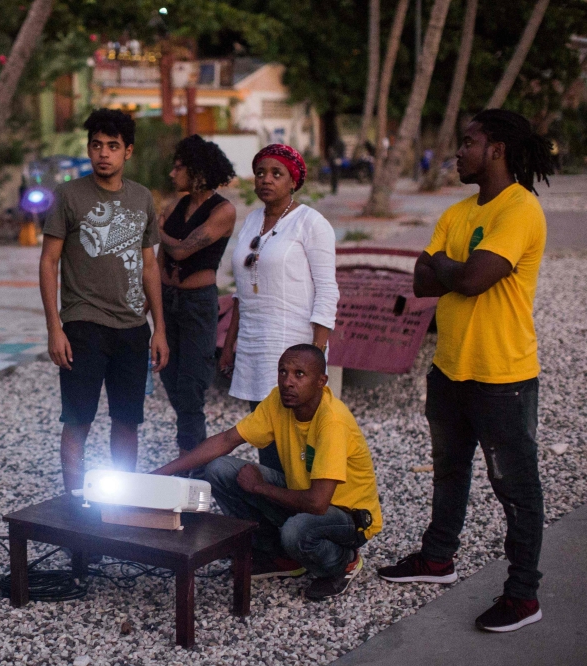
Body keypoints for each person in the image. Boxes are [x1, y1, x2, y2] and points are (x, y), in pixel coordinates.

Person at [377, 109, 554, 633]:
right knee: (449, 472)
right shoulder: (456, 212)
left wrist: (450, 269)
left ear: (496, 149)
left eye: (468, 143)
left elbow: (472, 278)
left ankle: (523, 595)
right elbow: (421, 283)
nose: (458, 152)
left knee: (516, 490)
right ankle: (437, 559)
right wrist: (455, 272)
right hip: (449, 369)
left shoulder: (520, 209)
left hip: (503, 376)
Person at [153, 344, 383, 600]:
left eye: (299, 374)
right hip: (303, 495)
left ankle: (344, 562)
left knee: (296, 531)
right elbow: (227, 440)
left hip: (348, 516)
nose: (288, 382)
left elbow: (318, 503)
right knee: (219, 469)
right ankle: (281, 556)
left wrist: (260, 488)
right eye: (282, 372)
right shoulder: (278, 401)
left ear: (321, 381)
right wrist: (163, 472)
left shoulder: (332, 422)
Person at [39, 108, 169, 494]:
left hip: (132, 328)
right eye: (97, 145)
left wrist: (159, 328)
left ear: (128, 151)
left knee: (127, 421)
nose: (103, 154)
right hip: (83, 326)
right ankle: (76, 507)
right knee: (78, 420)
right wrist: (54, 328)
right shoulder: (69, 196)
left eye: (113, 146)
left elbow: (150, 266)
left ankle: (121, 504)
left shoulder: (142, 198)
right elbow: (48, 262)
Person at [219, 144, 339, 474]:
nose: (266, 180)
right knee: (265, 432)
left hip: (293, 345)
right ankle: (272, 509)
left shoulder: (310, 223)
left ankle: (301, 513)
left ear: (293, 180)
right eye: (260, 173)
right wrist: (230, 346)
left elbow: (328, 290)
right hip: (255, 346)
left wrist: (316, 352)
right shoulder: (252, 220)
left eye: (276, 173)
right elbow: (243, 292)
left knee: (296, 440)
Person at [157, 135, 237, 463]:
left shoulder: (223, 210)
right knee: (169, 377)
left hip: (197, 305)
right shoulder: (174, 206)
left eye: (179, 168)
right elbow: (162, 258)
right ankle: (194, 453)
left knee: (191, 386)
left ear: (198, 171)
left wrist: (151, 228)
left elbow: (181, 248)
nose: (173, 174)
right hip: (168, 300)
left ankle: (192, 466)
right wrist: (151, 308)